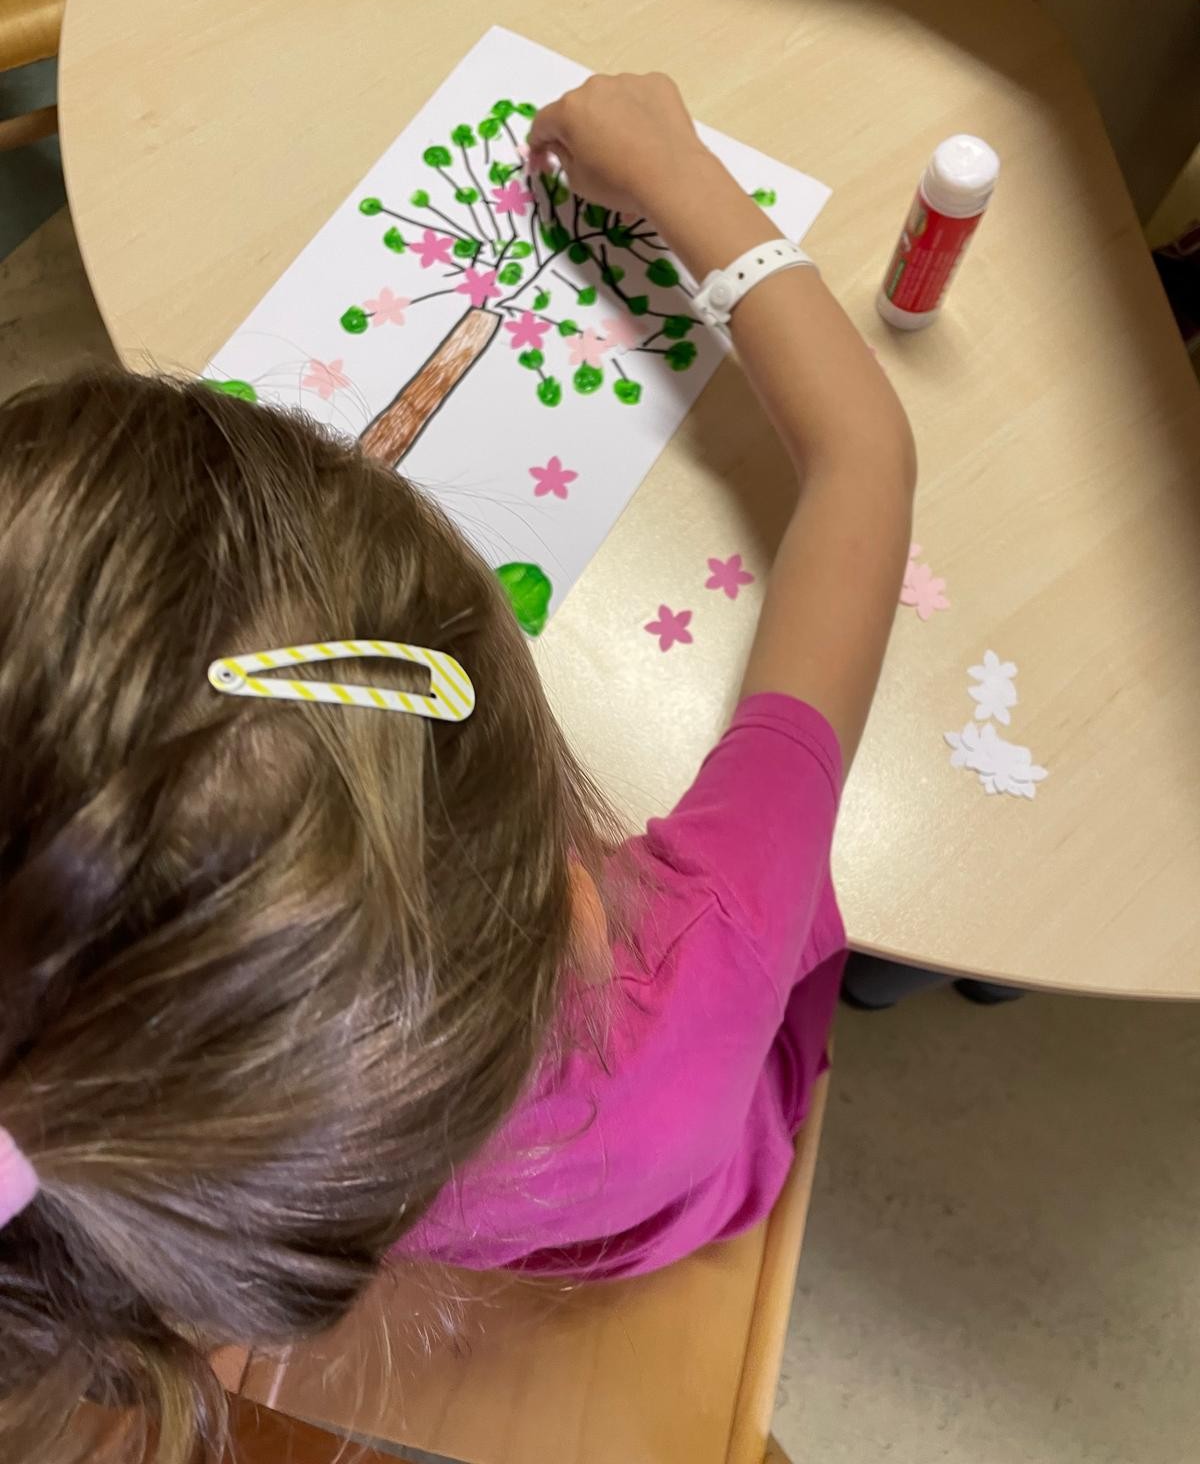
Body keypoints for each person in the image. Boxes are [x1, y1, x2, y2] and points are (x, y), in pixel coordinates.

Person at [0, 74, 915, 1464]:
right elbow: (865, 461)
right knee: (866, 960)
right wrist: (681, 179)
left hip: (470, 1215)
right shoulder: (689, 957)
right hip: (706, 1147)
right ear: (569, 895)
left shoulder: (183, 1187)